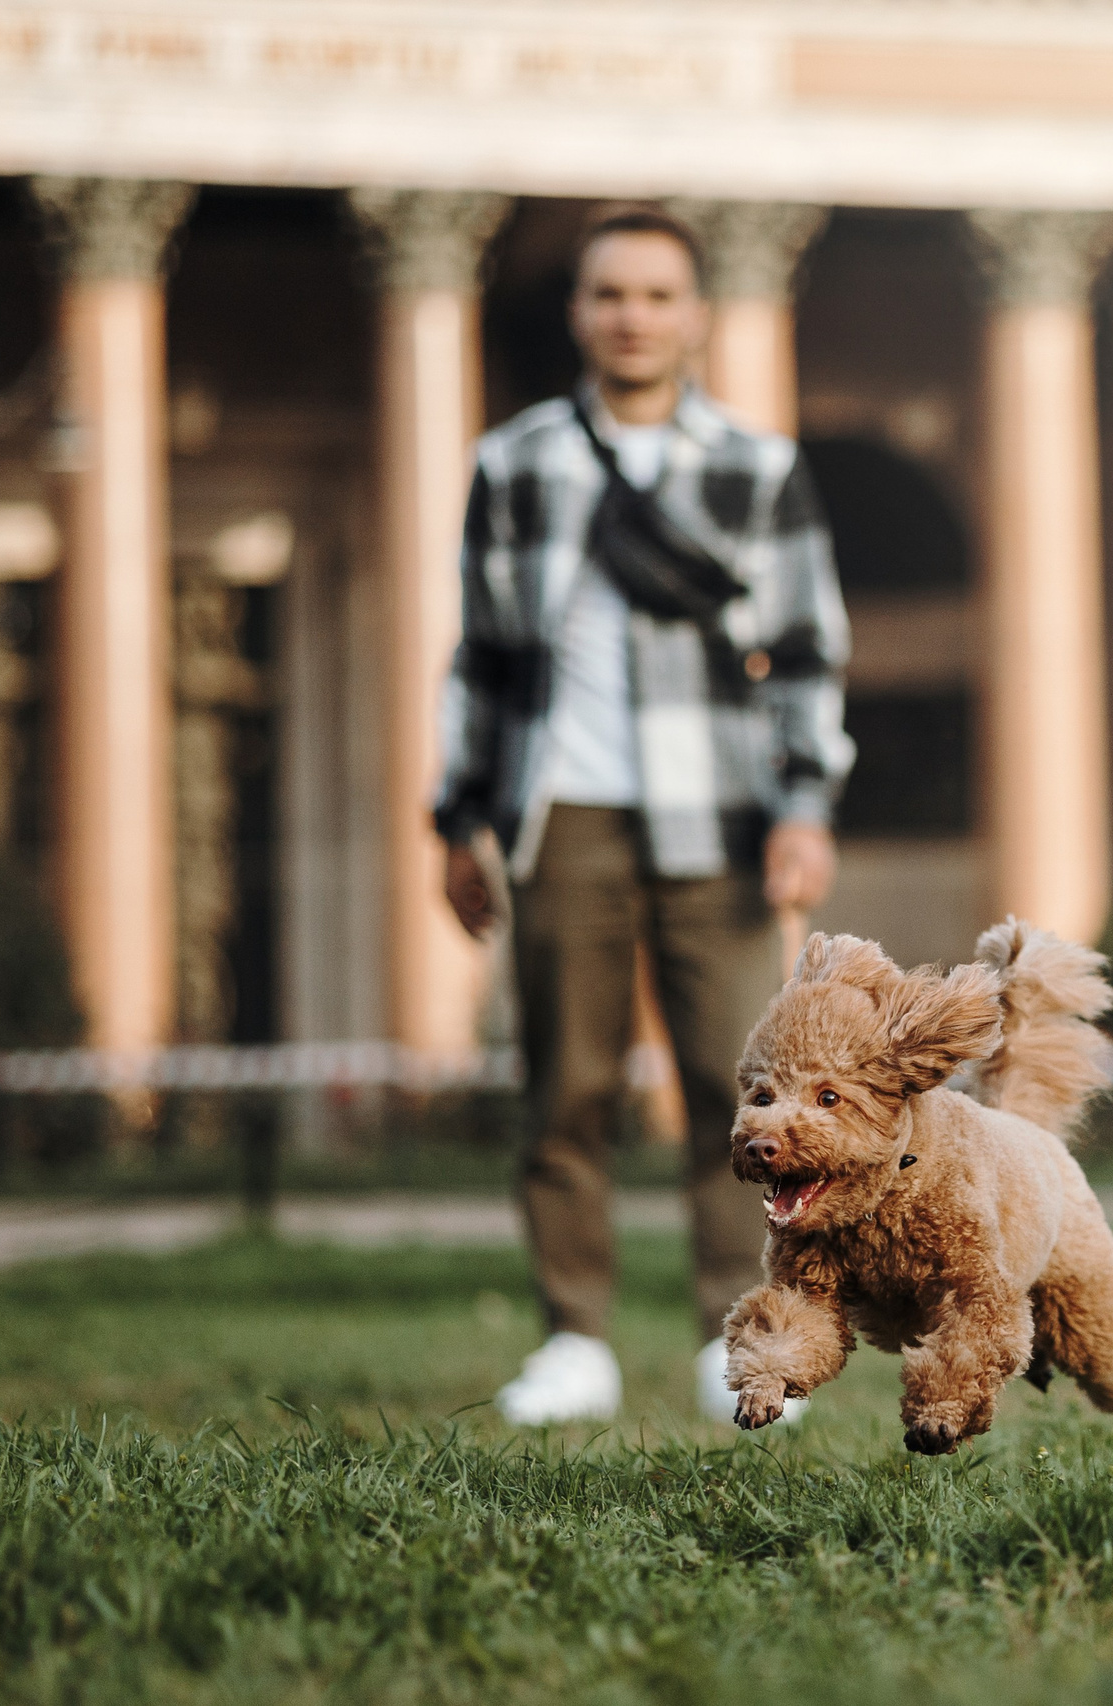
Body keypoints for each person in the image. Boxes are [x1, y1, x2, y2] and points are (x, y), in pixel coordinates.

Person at [433, 205, 855, 1425]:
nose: (633, 316)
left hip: (717, 812)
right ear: (579, 313)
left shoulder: (755, 466)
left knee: (749, 1096)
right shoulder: (515, 463)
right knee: (560, 1080)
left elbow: (808, 652)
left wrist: (804, 803)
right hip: (561, 809)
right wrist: (455, 818)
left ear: (696, 315)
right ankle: (573, 1338)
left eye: (658, 295)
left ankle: (744, 1339)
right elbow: (481, 658)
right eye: (610, 294)